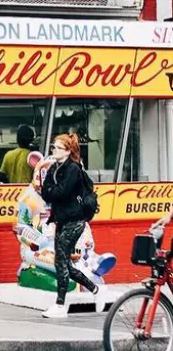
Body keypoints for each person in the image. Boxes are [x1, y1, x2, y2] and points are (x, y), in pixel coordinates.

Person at [40, 133, 105, 319]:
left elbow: (60, 192)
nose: (54, 150)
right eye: (53, 147)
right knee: (65, 264)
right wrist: (51, 191)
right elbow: (46, 193)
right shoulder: (54, 168)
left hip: (74, 221)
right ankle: (95, 289)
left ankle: (60, 305)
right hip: (62, 220)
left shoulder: (73, 169)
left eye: (58, 148)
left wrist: (51, 190)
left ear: (68, 151)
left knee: (60, 262)